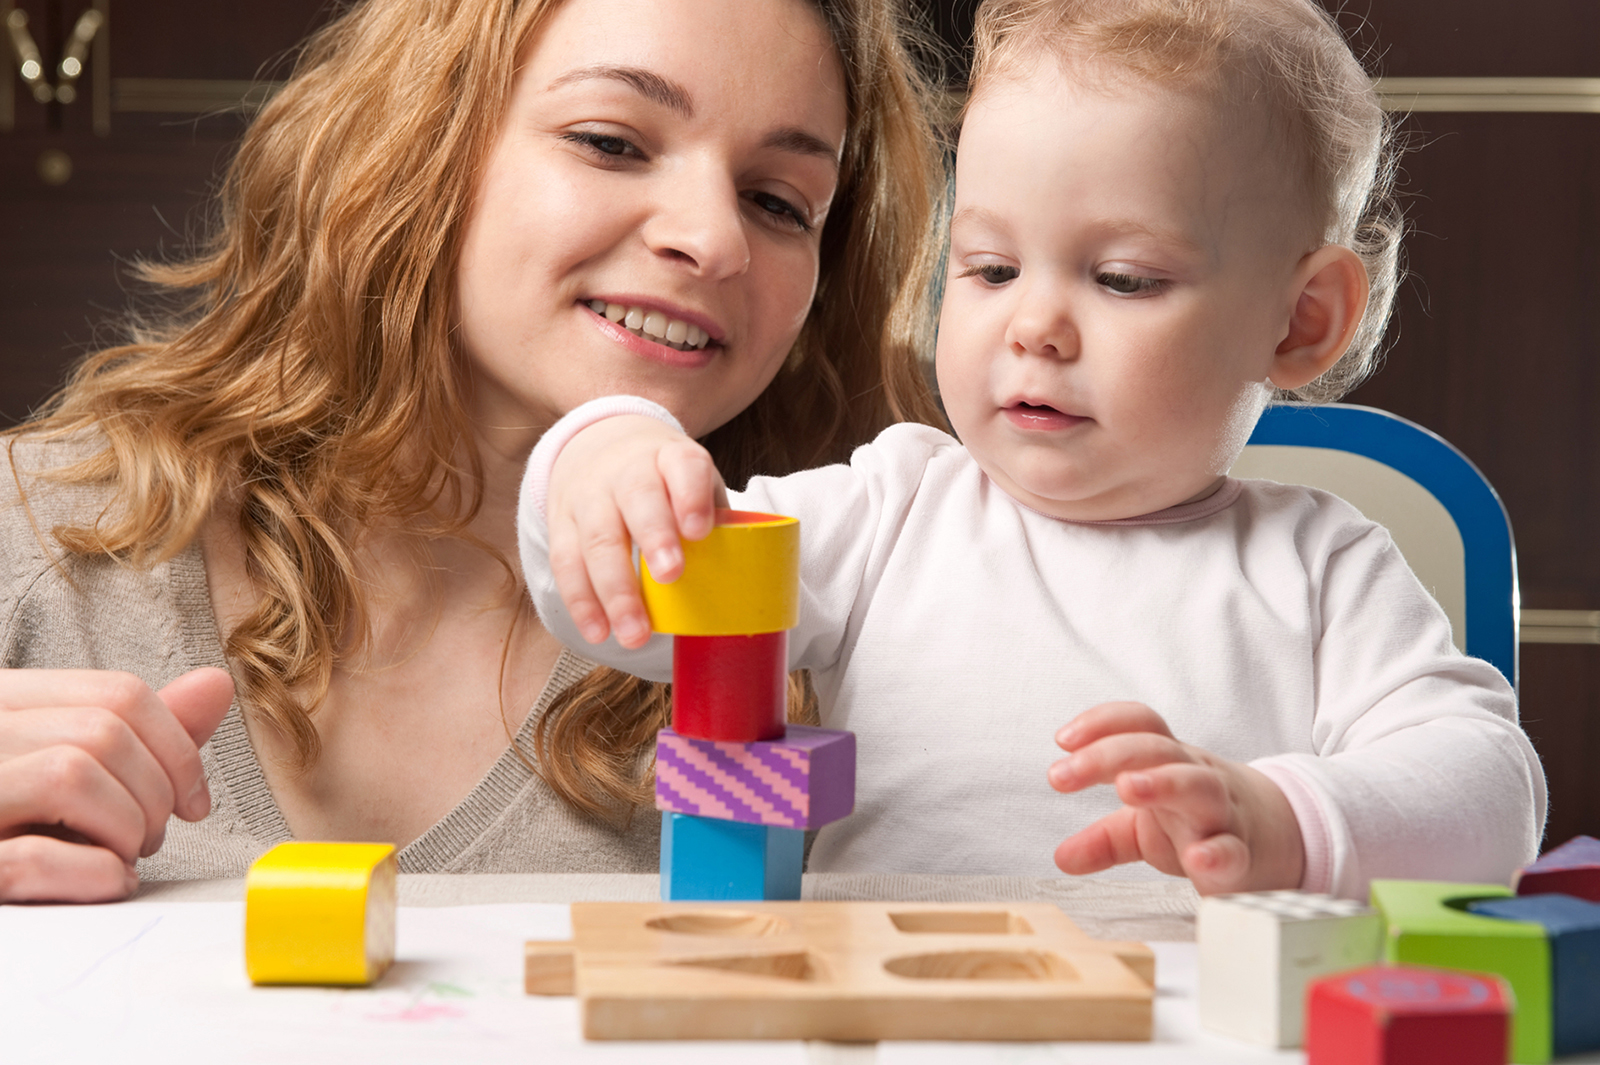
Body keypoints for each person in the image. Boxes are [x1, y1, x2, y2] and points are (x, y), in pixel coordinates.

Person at [518, 0, 1546, 899]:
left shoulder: (1323, 568)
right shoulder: (893, 509)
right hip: (889, 1017)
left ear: (1298, 321)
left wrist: (1280, 818)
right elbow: (649, 617)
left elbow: (1490, 794)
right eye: (991, 266)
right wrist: (604, 455)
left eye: (1124, 279)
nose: (1034, 327)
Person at [0, 0, 947, 903]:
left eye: (780, 202)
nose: (711, 239)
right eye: (611, 143)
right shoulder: (37, 542)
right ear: (423, 140)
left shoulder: (861, 638)